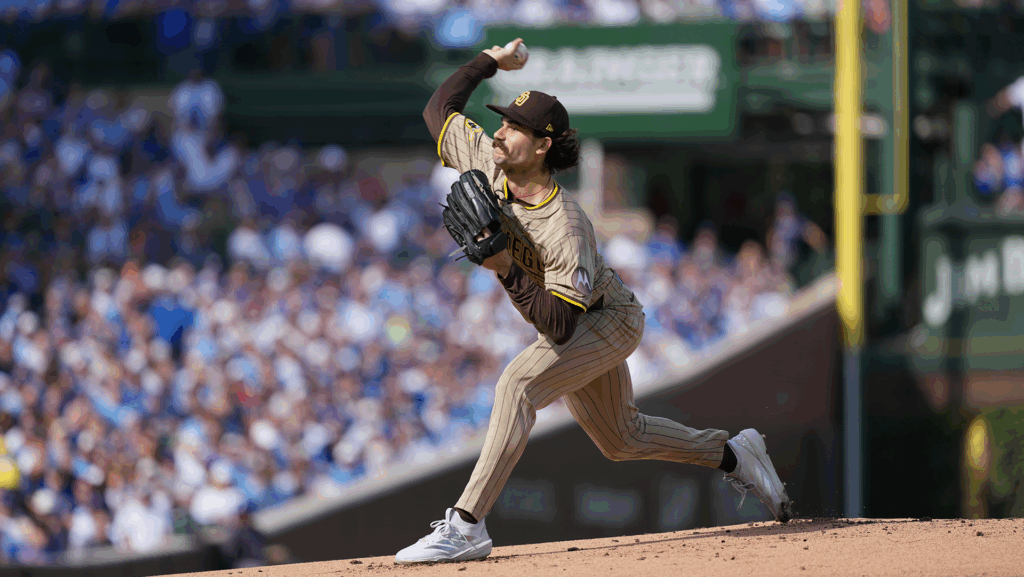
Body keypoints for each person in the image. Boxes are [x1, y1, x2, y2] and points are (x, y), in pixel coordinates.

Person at [394, 39, 793, 565]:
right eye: (503, 121)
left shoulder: (566, 224)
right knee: (622, 438)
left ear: (543, 146)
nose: (501, 132)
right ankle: (734, 454)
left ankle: (466, 526)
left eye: (515, 127)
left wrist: (506, 268)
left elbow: (561, 325)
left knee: (517, 386)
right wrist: (490, 61)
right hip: (573, 316)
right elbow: (437, 110)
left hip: (606, 319)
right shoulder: (490, 160)